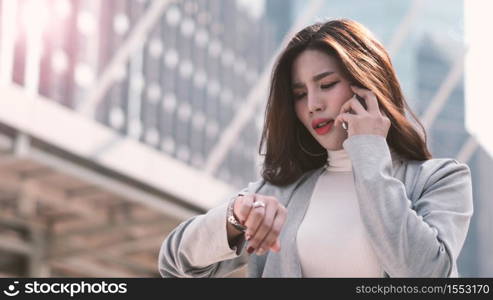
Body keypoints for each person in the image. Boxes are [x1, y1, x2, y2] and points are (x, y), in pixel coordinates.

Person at [158, 19, 473, 278]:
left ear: (368, 85)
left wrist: (368, 150)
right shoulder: (280, 191)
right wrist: (234, 217)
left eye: (326, 85)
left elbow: (426, 276)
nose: (312, 105)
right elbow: (175, 263)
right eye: (299, 93)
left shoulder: (441, 179)